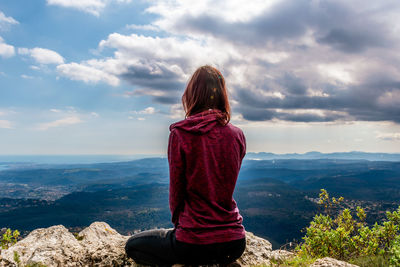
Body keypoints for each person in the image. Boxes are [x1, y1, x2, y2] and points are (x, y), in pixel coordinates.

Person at [125, 65, 247, 266]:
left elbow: (176, 192)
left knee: (133, 246)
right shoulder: (237, 135)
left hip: (193, 242)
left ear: (192, 94)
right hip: (234, 242)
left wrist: (183, 227)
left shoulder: (181, 134)